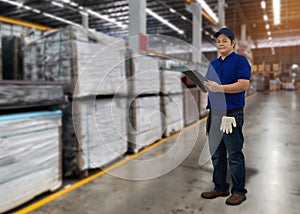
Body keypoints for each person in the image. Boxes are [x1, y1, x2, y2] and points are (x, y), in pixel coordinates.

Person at [201, 27, 251, 206]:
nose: (220, 43)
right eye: (218, 41)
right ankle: (220, 187)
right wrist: (202, 84)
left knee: (234, 154)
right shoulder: (213, 64)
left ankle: (239, 191)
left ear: (233, 43)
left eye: (224, 40)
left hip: (231, 114)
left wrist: (220, 88)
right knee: (216, 154)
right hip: (214, 113)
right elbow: (208, 86)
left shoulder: (240, 61)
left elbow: (243, 84)